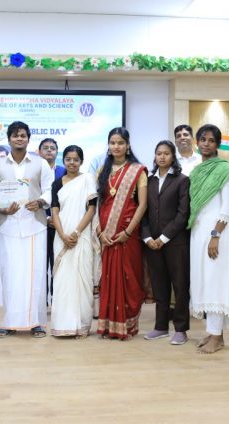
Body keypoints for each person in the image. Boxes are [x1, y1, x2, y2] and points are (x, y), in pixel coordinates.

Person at [0, 121, 54, 338]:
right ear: (8, 139)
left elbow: (49, 190)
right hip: (7, 227)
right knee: (10, 275)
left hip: (34, 225)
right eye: (16, 135)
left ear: (28, 139)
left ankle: (36, 323)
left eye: (23, 135)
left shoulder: (40, 163)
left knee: (35, 275)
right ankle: (9, 322)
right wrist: (1, 208)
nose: (19, 138)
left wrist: (41, 202)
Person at [188, 124, 229, 354]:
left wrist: (215, 236)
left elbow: (227, 207)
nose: (206, 144)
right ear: (197, 142)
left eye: (211, 140)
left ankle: (217, 337)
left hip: (218, 233)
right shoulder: (196, 171)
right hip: (198, 232)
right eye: (203, 139)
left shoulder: (225, 170)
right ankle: (213, 333)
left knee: (215, 282)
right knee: (203, 281)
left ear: (218, 144)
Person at [96, 127, 148, 340]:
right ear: (108, 146)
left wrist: (128, 231)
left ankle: (126, 325)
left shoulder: (138, 170)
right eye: (112, 142)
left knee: (129, 279)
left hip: (128, 233)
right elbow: (98, 203)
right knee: (109, 279)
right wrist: (99, 231)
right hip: (106, 233)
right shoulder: (102, 170)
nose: (116, 146)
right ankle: (109, 325)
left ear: (128, 146)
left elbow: (142, 204)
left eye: (120, 142)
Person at [141, 140, 190, 345]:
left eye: (166, 153)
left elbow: (183, 214)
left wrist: (163, 238)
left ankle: (181, 329)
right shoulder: (148, 181)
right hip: (152, 243)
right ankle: (160, 327)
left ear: (173, 156)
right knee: (159, 286)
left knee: (180, 286)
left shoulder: (182, 180)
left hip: (175, 242)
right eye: (159, 153)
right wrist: (147, 238)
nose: (162, 157)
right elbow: (142, 211)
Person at [50, 145, 98, 338]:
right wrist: (63, 235)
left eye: (75, 159)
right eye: (68, 159)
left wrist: (76, 232)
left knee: (83, 280)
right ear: (63, 161)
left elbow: (91, 209)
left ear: (81, 161)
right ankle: (63, 324)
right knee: (63, 281)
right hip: (62, 237)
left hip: (81, 236)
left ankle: (82, 325)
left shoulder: (87, 180)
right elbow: (54, 211)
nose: (72, 163)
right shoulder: (57, 183)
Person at [39, 138, 66, 305]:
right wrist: (46, 217)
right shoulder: (33, 171)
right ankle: (41, 302)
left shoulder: (64, 172)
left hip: (60, 226)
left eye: (52, 148)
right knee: (40, 267)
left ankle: (57, 301)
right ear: (39, 152)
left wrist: (56, 219)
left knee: (58, 265)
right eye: (46, 148)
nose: (49, 150)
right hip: (38, 225)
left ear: (57, 152)